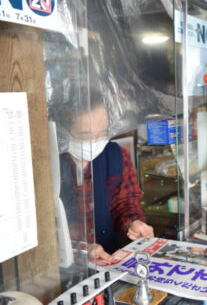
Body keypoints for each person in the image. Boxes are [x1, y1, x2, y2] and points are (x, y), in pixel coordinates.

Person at [58, 95, 154, 260]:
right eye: (85, 135)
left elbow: (124, 201)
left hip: (111, 257)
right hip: (66, 266)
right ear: (64, 131)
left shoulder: (114, 155)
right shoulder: (49, 166)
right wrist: (81, 248)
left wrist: (133, 223)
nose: (94, 142)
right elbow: (46, 227)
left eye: (102, 134)